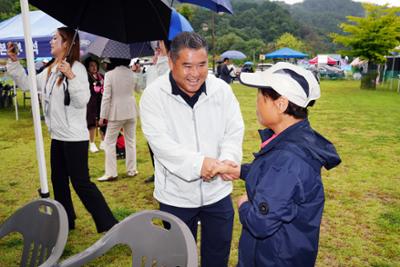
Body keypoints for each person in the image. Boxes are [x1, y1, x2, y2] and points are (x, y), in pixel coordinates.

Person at [214, 62, 341, 266]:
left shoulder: (288, 159)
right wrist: (239, 171)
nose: (257, 104)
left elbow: (260, 222)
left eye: (261, 98)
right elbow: (275, 177)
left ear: (280, 104)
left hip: (273, 258)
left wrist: (244, 204)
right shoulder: (294, 140)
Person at [140, 32, 244, 267]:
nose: (195, 74)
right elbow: (161, 145)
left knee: (217, 258)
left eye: (201, 65)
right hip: (175, 196)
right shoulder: (154, 96)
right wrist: (199, 164)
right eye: (187, 66)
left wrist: (227, 160)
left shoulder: (221, 90)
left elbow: (234, 129)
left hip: (218, 193)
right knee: (178, 260)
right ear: (171, 62)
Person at [6, 27, 118, 233]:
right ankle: (67, 220)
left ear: (66, 43)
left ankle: (108, 223)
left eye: (55, 38)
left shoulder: (77, 68)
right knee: (58, 181)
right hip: (57, 136)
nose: (51, 41)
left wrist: (71, 77)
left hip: (74, 137)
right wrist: (14, 61)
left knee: (81, 183)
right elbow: (28, 84)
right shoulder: (50, 68)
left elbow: (82, 100)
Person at [97, 57, 141, 181]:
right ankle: (131, 170)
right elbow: (138, 89)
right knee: (130, 141)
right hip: (131, 110)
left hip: (116, 112)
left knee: (109, 142)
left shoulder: (110, 75)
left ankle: (111, 173)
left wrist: (102, 116)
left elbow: (106, 97)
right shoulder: (132, 73)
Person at [142, 40, 170, 184]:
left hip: (164, 114)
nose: (157, 47)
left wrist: (158, 63)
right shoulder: (156, 64)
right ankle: (157, 172)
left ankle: (164, 174)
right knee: (152, 146)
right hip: (152, 113)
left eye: (160, 44)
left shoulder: (169, 65)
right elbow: (144, 87)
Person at [84, 57, 105, 153]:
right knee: (91, 123)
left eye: (95, 65)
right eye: (91, 66)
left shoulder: (101, 76)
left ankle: (103, 141)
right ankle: (91, 143)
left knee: (102, 121)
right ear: (88, 67)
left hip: (101, 101)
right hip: (90, 103)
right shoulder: (86, 77)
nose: (94, 68)